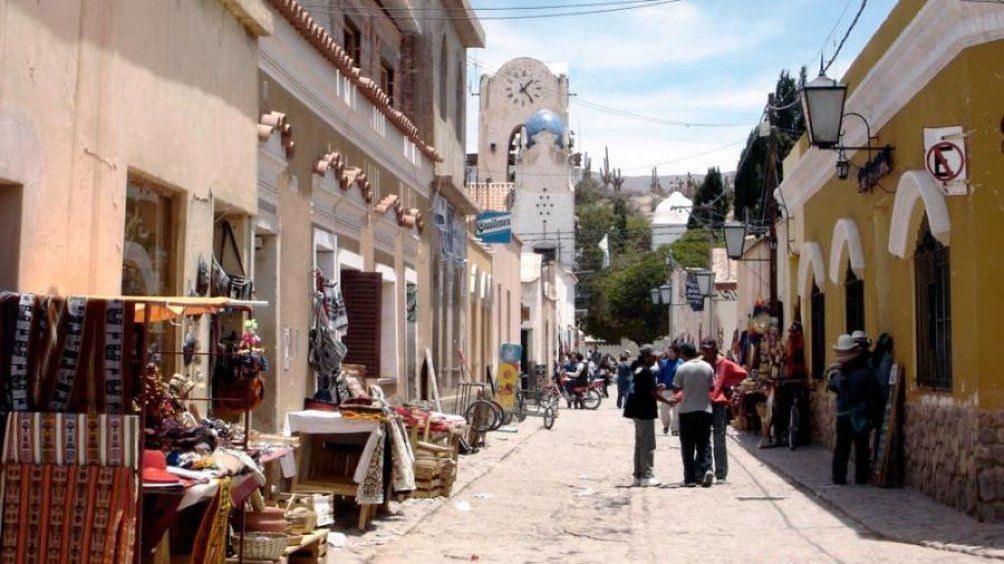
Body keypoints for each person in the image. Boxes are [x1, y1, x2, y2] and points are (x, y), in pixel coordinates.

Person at [828, 334, 882, 485]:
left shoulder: (839, 375)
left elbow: (832, 385)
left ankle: (838, 477)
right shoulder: (865, 373)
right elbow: (874, 393)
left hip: (842, 414)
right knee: (861, 446)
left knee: (842, 447)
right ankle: (861, 476)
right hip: (859, 414)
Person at [624, 344, 673, 487]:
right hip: (644, 412)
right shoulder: (646, 371)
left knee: (640, 445)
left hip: (636, 411)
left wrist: (656, 387)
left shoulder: (638, 369)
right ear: (646, 356)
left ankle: (638, 475)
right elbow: (652, 394)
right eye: (653, 356)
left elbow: (644, 388)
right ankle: (647, 476)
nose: (655, 359)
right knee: (648, 445)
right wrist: (667, 401)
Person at [701, 337, 748, 482]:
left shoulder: (724, 363)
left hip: (719, 404)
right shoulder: (701, 364)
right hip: (702, 404)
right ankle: (707, 469)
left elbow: (742, 374)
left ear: (714, 349)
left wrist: (727, 385)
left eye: (709, 349)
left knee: (719, 439)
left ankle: (721, 473)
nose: (707, 352)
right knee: (704, 439)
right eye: (704, 349)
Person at [674, 342, 716, 487]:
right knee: (703, 444)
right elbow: (712, 387)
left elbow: (676, 388)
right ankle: (704, 471)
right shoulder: (707, 367)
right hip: (705, 410)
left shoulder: (682, 368)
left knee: (688, 446)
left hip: (686, 411)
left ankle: (690, 479)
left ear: (683, 353)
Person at [657, 344, 682, 435]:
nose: (669, 353)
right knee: (664, 411)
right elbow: (660, 376)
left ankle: (675, 429)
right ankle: (666, 424)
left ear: (676, 353)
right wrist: (659, 386)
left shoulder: (681, 363)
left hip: (677, 391)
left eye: (671, 351)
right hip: (666, 390)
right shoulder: (664, 363)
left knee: (676, 410)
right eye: (668, 351)